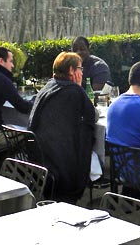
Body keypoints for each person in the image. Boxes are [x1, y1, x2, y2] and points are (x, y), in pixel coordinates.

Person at [29, 51, 96, 203]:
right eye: (80, 69)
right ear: (72, 71)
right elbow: (92, 116)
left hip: (42, 159)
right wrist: (79, 87)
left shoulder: (48, 86)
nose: (82, 72)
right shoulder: (73, 91)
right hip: (62, 166)